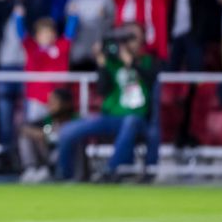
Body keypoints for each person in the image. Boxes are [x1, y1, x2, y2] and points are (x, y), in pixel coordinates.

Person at [57, 23, 161, 182]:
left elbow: (150, 79)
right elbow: (102, 90)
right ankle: (66, 175)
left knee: (130, 121)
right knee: (68, 131)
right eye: (125, 38)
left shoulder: (149, 61)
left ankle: (112, 170)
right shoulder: (112, 63)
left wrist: (131, 62)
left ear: (142, 40)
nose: (128, 42)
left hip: (138, 119)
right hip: (111, 118)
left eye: (132, 37)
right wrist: (101, 62)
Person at [0, 0, 44, 152]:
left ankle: (27, 154)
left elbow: (42, 30)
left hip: (28, 65)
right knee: (4, 111)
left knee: (29, 114)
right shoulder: (5, 0)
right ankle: (6, 152)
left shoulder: (35, 1)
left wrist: (33, 0)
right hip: (5, 63)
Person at [14, 9, 77, 124]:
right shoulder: (32, 48)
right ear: (37, 36)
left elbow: (69, 34)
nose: (47, 36)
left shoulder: (61, 47)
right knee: (32, 127)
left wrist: (73, 16)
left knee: (56, 128)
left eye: (50, 32)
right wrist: (18, 17)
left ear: (55, 34)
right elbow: (22, 34)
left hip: (57, 101)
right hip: (35, 100)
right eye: (43, 33)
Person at [18, 88, 75, 183]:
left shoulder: (75, 119)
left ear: (66, 103)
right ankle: (31, 169)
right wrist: (40, 134)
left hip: (64, 159)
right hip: (47, 154)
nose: (49, 104)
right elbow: (25, 129)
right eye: (49, 101)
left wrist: (45, 135)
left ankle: (52, 172)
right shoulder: (48, 120)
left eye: (54, 101)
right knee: (26, 136)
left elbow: (60, 137)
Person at [66, 0, 115, 71]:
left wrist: (101, 41)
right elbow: (68, 26)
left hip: (100, 48)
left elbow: (111, 21)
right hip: (79, 49)